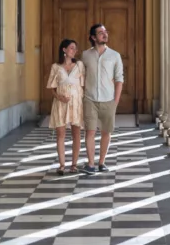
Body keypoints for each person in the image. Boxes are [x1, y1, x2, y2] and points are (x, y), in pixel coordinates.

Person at [81, 23, 124, 174]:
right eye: (101, 32)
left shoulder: (115, 56)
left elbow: (119, 80)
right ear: (93, 37)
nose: (105, 34)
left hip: (108, 99)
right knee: (90, 131)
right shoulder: (85, 55)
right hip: (89, 99)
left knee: (106, 132)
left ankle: (102, 162)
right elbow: (81, 76)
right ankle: (91, 164)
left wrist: (115, 102)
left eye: (106, 31)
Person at [44, 38, 84, 175]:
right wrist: (59, 97)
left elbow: (84, 84)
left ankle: (74, 164)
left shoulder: (79, 65)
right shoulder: (56, 67)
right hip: (60, 103)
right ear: (64, 50)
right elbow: (51, 87)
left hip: (76, 104)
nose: (75, 51)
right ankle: (62, 165)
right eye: (72, 48)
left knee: (76, 133)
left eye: (75, 48)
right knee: (60, 133)